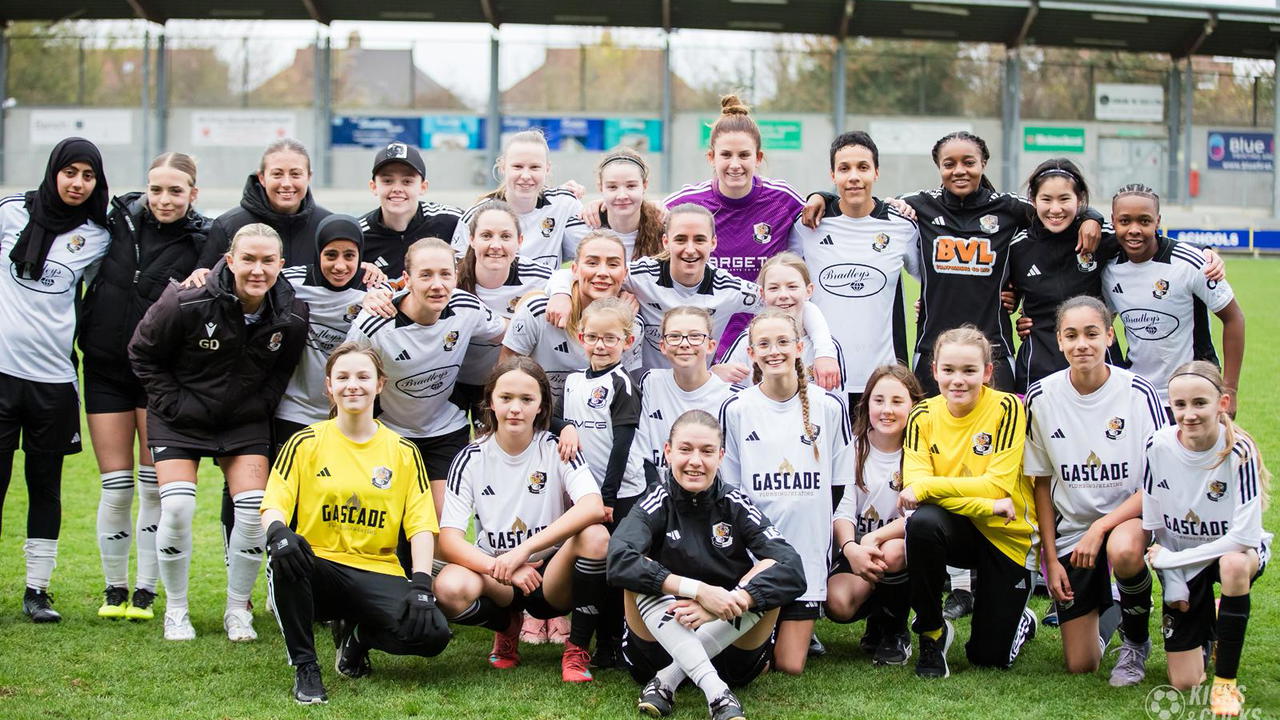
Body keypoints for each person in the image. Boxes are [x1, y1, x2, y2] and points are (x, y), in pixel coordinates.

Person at [803, 131, 1103, 396]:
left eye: (968, 162)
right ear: (939, 167)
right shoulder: (917, 205)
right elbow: (865, 200)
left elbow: (1054, 212)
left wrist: (1091, 218)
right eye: (950, 164)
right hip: (931, 352)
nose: (959, 170)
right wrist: (822, 196)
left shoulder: (1010, 209)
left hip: (994, 352)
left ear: (983, 163)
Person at [129, 223, 309, 641]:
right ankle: (176, 610)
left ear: (281, 265)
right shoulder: (185, 300)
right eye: (248, 259)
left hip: (243, 420)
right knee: (177, 508)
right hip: (179, 417)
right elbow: (142, 353)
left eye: (267, 261)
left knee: (252, 510)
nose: (257, 269)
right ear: (229, 260)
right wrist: (174, 404)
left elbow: (282, 369)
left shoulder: (292, 314)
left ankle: (236, 609)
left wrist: (260, 404)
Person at [261, 342, 451, 705]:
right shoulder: (305, 442)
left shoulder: (403, 451)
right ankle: (306, 668)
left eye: (363, 377)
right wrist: (278, 531)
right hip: (320, 568)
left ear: (380, 384)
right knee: (286, 553)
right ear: (329, 386)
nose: (353, 385)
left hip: (377, 568)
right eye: (343, 377)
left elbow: (421, 525)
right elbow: (274, 503)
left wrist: (422, 583)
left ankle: (359, 637)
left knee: (433, 635)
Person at [608, 409, 805, 720]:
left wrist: (726, 603)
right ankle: (716, 692)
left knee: (770, 572)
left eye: (707, 451)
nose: (695, 461)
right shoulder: (654, 502)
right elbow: (618, 559)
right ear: (668, 452)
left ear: (721, 456)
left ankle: (668, 680)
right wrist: (699, 591)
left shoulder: (735, 504)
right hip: (659, 645)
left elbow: (792, 568)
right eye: (685, 449)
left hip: (731, 648)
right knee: (636, 569)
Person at [82, 151, 208, 621]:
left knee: (154, 489)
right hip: (104, 371)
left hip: (157, 377)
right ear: (145, 189)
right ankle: (114, 588)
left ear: (193, 193)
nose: (165, 199)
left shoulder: (204, 239)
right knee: (115, 487)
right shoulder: (117, 220)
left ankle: (146, 591)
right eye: (157, 189)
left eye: (176, 190)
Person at [433, 357, 610, 683]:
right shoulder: (470, 458)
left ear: (541, 406)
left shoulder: (557, 447)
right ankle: (507, 626)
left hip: (551, 576)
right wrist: (503, 566)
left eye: (527, 399)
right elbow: (449, 541)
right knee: (448, 588)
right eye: (506, 398)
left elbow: (592, 506)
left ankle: (577, 647)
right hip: (498, 576)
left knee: (596, 536)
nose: (515, 408)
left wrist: (523, 551)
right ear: (490, 402)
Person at [1024, 296, 1168, 684]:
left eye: (1091, 333)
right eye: (1071, 335)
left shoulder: (1139, 393)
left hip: (1130, 519)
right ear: (1059, 340)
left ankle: (1135, 642)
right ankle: (1111, 612)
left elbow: (1159, 482)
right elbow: (1041, 484)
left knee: (1123, 550)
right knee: (1081, 663)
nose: (1082, 344)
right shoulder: (1041, 397)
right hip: (1074, 532)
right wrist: (1051, 560)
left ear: (1109, 336)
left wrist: (1101, 527)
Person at [545, 206, 839, 387]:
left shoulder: (728, 289)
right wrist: (560, 294)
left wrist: (825, 352)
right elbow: (585, 274)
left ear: (713, 243)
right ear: (665, 241)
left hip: (699, 392)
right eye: (680, 239)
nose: (690, 249)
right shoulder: (641, 275)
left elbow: (796, 304)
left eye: (699, 240)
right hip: (645, 393)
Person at [0, 137, 110, 623]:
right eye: (70, 172)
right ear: (54, 172)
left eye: (88, 176)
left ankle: (38, 591)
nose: (77, 183)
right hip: (3, 374)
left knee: (45, 486)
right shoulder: (10, 212)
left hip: (54, 380)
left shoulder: (97, 235)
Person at [1006, 160, 1223, 393]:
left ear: (1080, 200)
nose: (1055, 209)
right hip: (1038, 365)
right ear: (1033, 200)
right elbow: (1005, 294)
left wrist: (1203, 251)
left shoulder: (1100, 237)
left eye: (1064, 199)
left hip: (1101, 363)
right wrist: (1015, 307)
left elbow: (1153, 242)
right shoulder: (1018, 248)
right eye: (1046, 199)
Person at [717, 308, 853, 675]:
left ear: (799, 347)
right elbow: (730, 490)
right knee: (752, 666)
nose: (773, 351)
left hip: (806, 555)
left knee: (790, 666)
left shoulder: (829, 406)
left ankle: (790, 625)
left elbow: (839, 485)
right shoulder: (736, 408)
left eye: (782, 342)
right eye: (763, 344)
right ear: (751, 353)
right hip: (755, 556)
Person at [898, 325, 1038, 678]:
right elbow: (917, 494)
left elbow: (995, 487)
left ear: (987, 372)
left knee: (988, 657)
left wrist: (928, 487)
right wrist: (985, 506)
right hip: (958, 530)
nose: (957, 380)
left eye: (969, 370)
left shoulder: (1008, 408)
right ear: (934, 371)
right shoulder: (922, 415)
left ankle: (1020, 618)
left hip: (1006, 533)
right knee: (923, 524)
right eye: (948, 370)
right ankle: (932, 633)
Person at [1143, 361, 1271, 716]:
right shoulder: (1157, 445)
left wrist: (1172, 561)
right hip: (1183, 558)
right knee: (1184, 681)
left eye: (1200, 403)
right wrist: (1172, 578)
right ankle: (1216, 615)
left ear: (1222, 403)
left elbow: (1243, 537)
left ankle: (1226, 683)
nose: (1189, 414)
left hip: (1234, 553)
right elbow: (1155, 528)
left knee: (1233, 566)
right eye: (1180, 404)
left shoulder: (1239, 450)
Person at [346, 238, 507, 520]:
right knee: (387, 521)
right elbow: (343, 376)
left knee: (443, 519)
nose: (437, 285)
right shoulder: (375, 323)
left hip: (445, 429)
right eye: (426, 275)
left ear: (455, 276)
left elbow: (513, 332)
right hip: (389, 432)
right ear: (407, 279)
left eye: (445, 274)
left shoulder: (466, 308)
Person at [664, 95, 808, 350]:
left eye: (744, 155)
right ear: (711, 157)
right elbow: (637, 218)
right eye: (726, 155)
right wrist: (600, 209)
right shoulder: (686, 204)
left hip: (767, 345)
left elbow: (824, 220)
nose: (735, 164)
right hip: (703, 346)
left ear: (758, 157)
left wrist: (823, 198)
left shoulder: (783, 200)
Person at [787, 131, 919, 405]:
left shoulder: (902, 226)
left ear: (876, 172)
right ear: (833, 175)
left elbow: (932, 279)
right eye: (844, 168)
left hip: (883, 377)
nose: (854, 176)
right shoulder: (808, 225)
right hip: (820, 373)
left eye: (863, 167)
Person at [557, 297, 647, 667]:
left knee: (616, 569)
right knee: (590, 565)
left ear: (627, 341)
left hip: (620, 494)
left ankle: (614, 642)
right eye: (593, 337)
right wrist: (565, 427)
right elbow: (557, 421)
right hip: (585, 493)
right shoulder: (573, 382)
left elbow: (622, 445)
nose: (600, 345)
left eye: (610, 338)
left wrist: (607, 497)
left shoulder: (621, 384)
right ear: (581, 337)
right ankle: (593, 640)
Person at [1103, 184, 1244, 412]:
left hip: (1194, 390)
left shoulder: (1191, 263)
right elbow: (1101, 324)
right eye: (1125, 221)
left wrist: (1230, 390)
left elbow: (1234, 318)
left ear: (1158, 221)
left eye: (1145, 221)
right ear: (1113, 221)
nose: (1134, 229)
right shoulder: (1109, 270)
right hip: (1138, 394)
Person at [825, 364, 924, 666]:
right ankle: (878, 618)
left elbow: (918, 516)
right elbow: (842, 510)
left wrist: (875, 538)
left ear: (914, 406)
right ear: (866, 403)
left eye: (897, 401)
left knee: (893, 553)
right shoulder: (852, 450)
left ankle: (895, 631)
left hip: (901, 547)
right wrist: (850, 548)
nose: (887, 410)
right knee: (838, 602)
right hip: (861, 549)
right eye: (878, 400)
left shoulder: (920, 451)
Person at [500, 231, 643, 412]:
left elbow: (623, 391)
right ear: (574, 270)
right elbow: (505, 373)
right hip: (534, 418)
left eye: (613, 264)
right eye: (592, 263)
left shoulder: (633, 325)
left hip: (593, 421)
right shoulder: (537, 311)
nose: (602, 272)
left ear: (625, 273)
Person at [274, 214, 377, 453]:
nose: (340, 266)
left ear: (361, 256)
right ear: (317, 252)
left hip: (350, 412)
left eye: (349, 256)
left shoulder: (374, 290)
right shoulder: (292, 281)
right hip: (294, 409)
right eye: (331, 255)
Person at [454, 200, 553, 425]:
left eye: (506, 236)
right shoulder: (451, 277)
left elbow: (572, 280)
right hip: (452, 382)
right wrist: (378, 296)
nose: (496, 245)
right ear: (471, 239)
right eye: (486, 235)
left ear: (520, 241)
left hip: (505, 383)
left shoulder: (538, 277)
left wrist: (562, 293)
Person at [451, 129, 584, 269]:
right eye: (517, 167)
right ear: (503, 167)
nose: (525, 176)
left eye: (534, 167)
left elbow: (592, 254)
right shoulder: (476, 216)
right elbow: (458, 272)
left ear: (547, 169)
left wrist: (597, 206)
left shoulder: (564, 205)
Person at [633, 307, 733, 488]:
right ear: (662, 346)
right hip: (660, 497)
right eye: (674, 336)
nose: (684, 344)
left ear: (711, 345)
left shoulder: (732, 399)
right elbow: (641, 455)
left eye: (695, 336)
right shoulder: (649, 383)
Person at [194, 138, 333, 269]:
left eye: (295, 174)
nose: (286, 183)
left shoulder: (328, 226)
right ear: (262, 178)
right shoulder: (228, 226)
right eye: (277, 174)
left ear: (309, 177)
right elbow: (208, 281)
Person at [719, 252, 846, 391]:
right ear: (762, 294)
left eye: (792, 287)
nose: (783, 295)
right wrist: (715, 374)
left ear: (809, 291)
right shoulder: (746, 341)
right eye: (774, 288)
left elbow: (835, 402)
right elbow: (724, 394)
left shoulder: (826, 348)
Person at [359, 142, 462, 279]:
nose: (397, 189)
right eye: (387, 181)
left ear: (423, 187)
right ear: (373, 187)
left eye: (407, 181)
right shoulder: (358, 234)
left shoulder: (451, 220)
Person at [566, 147, 665, 260]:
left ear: (644, 185)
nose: (622, 196)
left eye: (631, 186)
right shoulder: (577, 230)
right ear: (601, 188)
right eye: (612, 187)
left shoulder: (664, 228)